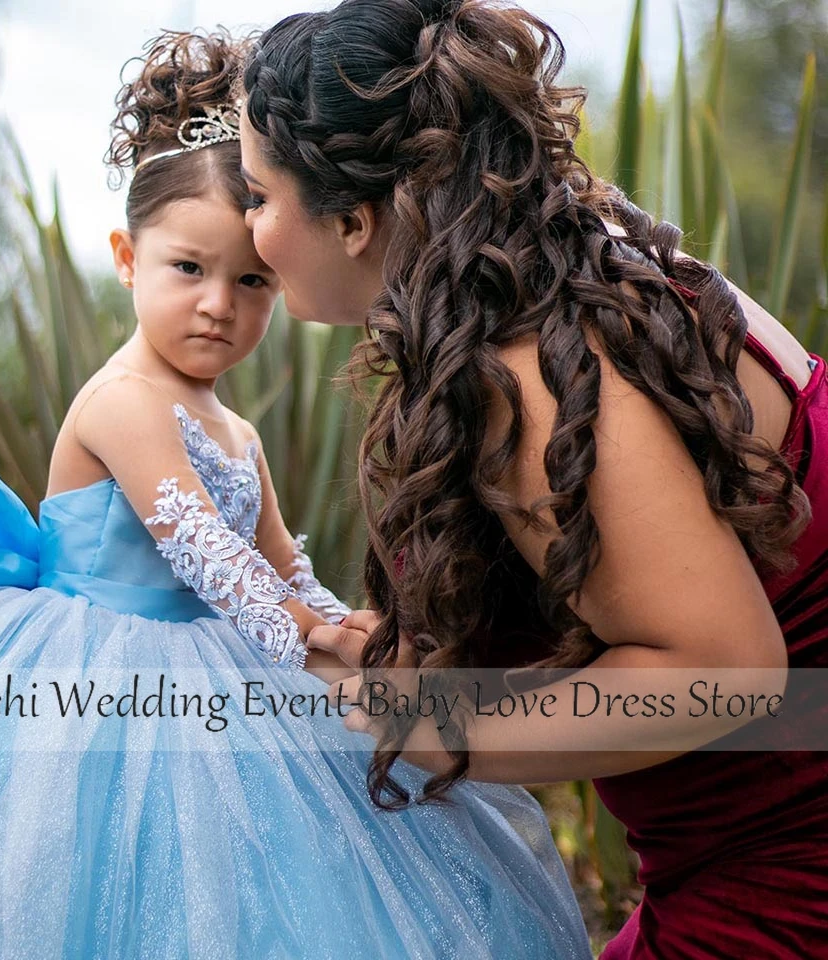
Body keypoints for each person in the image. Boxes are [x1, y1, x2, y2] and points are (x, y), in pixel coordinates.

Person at [0, 29, 594, 959]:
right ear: (128, 258)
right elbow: (205, 552)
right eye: (188, 270)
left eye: (251, 279)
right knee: (90, 879)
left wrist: (354, 627)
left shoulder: (234, 428)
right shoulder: (124, 402)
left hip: (224, 651)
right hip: (101, 671)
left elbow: (279, 557)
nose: (220, 303)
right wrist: (310, 633)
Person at [239, 1, 828, 957]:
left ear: (351, 220)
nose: (249, 227)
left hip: (785, 894)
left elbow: (722, 671)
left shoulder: (534, 372)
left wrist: (435, 727)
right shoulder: (602, 266)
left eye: (259, 196)